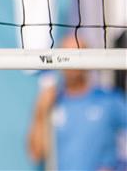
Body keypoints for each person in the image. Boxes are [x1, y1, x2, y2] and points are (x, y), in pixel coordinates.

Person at [28, 36, 127, 171]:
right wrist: (41, 110)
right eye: (66, 55)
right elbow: (36, 153)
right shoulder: (52, 103)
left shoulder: (109, 99)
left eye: (76, 54)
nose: (71, 61)